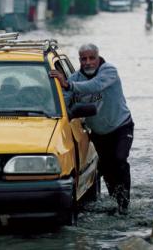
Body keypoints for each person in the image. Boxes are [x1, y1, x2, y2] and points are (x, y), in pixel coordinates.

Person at [50, 43, 134, 215]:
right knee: (107, 168)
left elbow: (95, 85)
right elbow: (65, 101)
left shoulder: (109, 70)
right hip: (98, 133)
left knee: (119, 161)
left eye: (91, 58)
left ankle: (124, 205)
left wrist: (67, 85)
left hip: (121, 126)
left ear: (98, 58)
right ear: (79, 60)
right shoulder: (75, 79)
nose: (88, 62)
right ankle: (115, 201)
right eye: (83, 59)